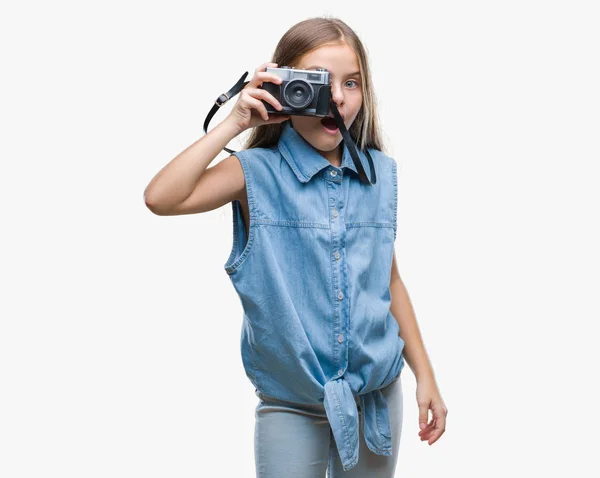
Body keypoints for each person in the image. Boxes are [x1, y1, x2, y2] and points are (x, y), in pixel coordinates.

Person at [144, 16, 447, 478]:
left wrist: (425, 375)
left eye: (352, 83)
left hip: (377, 397)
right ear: (285, 86)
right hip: (292, 403)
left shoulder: (380, 174)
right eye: (320, 83)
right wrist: (235, 122)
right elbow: (161, 198)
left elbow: (390, 281)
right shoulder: (254, 173)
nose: (338, 98)